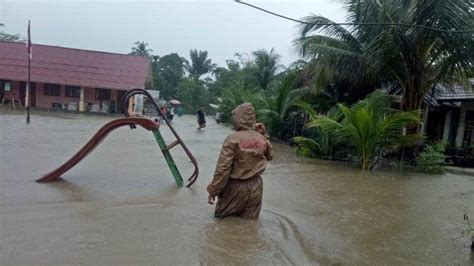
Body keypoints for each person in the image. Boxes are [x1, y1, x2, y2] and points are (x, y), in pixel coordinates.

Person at [207, 103, 273, 219]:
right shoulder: (262, 139)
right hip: (256, 187)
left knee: (221, 222)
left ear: (237, 118)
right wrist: (263, 135)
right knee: (250, 224)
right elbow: (270, 156)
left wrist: (214, 190)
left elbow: (223, 169)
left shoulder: (232, 139)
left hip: (235, 188)